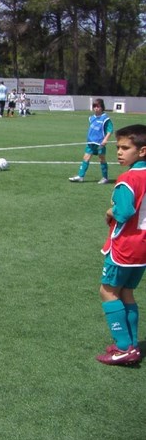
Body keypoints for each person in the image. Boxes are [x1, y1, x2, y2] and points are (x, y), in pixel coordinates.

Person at [95, 124, 146, 365]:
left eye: (126, 148)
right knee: (127, 292)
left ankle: (124, 347)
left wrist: (110, 210)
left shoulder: (129, 178)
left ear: (142, 151)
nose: (119, 152)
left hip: (125, 246)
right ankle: (132, 343)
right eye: (118, 147)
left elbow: (124, 211)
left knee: (107, 291)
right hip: (143, 247)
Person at [69, 98, 113, 184]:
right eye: (94, 106)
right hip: (90, 143)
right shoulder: (91, 118)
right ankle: (80, 176)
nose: (96, 108)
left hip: (100, 143)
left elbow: (110, 130)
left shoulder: (105, 118)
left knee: (102, 159)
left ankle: (105, 177)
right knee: (86, 158)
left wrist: (105, 140)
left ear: (102, 107)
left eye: (98, 106)